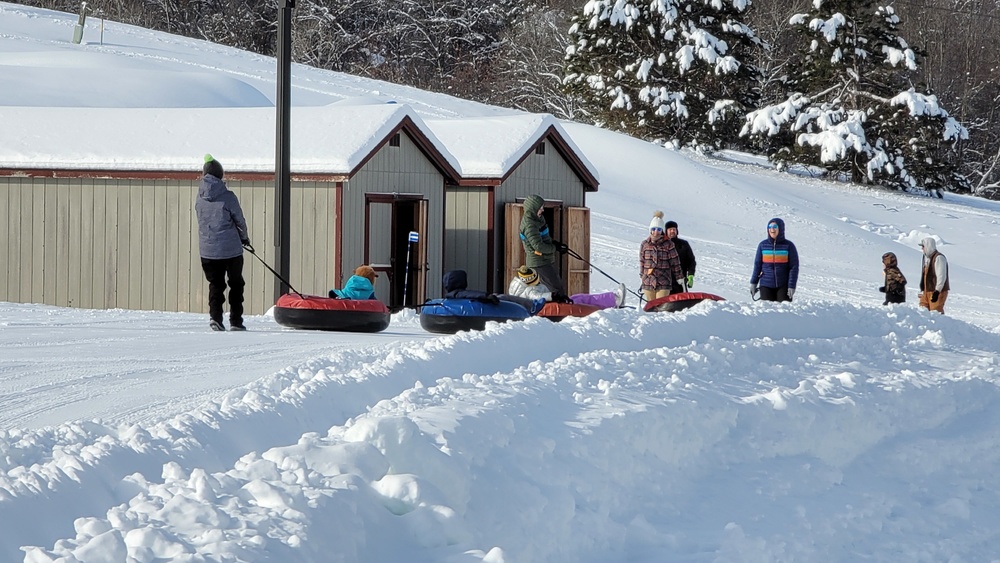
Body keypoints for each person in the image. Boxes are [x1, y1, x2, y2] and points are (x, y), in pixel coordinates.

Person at [195, 154, 250, 332]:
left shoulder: (199, 198)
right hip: (231, 250)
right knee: (236, 284)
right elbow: (239, 220)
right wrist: (245, 238)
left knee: (216, 285)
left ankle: (215, 318)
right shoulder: (228, 197)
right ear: (220, 175)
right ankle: (236, 320)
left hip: (207, 250)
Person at [508, 266, 625, 310]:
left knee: (577, 297)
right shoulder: (529, 290)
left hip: (546, 305)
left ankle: (610, 301)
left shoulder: (518, 286)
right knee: (581, 300)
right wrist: (553, 296)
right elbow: (536, 296)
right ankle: (614, 300)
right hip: (547, 307)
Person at [519, 194, 567, 293]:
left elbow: (543, 238)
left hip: (545, 261)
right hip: (538, 263)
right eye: (540, 208)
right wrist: (554, 248)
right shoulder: (529, 225)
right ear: (533, 208)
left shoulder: (538, 219)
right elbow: (538, 246)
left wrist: (555, 244)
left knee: (556, 287)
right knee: (555, 290)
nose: (542, 210)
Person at [750, 217, 799, 302]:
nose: (772, 229)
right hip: (766, 284)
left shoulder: (788, 246)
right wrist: (753, 283)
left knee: (783, 310)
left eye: (775, 227)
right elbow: (757, 265)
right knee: (767, 310)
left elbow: (794, 267)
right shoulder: (762, 245)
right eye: (770, 227)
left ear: (780, 229)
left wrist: (791, 285)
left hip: (783, 285)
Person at [640, 211, 683, 303]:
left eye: (659, 229)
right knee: (651, 306)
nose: (656, 232)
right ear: (650, 230)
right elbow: (642, 261)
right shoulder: (644, 244)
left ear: (662, 231)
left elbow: (675, 262)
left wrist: (679, 276)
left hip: (664, 281)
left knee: (660, 306)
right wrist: (642, 275)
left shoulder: (668, 244)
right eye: (654, 229)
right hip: (648, 282)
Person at [918, 237, 949, 314]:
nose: (922, 249)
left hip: (936, 292)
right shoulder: (927, 259)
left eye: (923, 246)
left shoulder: (939, 258)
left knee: (935, 313)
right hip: (927, 291)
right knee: (923, 312)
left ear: (928, 246)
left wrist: (937, 291)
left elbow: (941, 276)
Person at [665, 220, 697, 293]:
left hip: (680, 281)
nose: (672, 231)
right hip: (664, 282)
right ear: (666, 231)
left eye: (674, 229)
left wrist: (691, 275)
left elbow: (691, 261)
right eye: (670, 230)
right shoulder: (662, 244)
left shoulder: (683, 244)